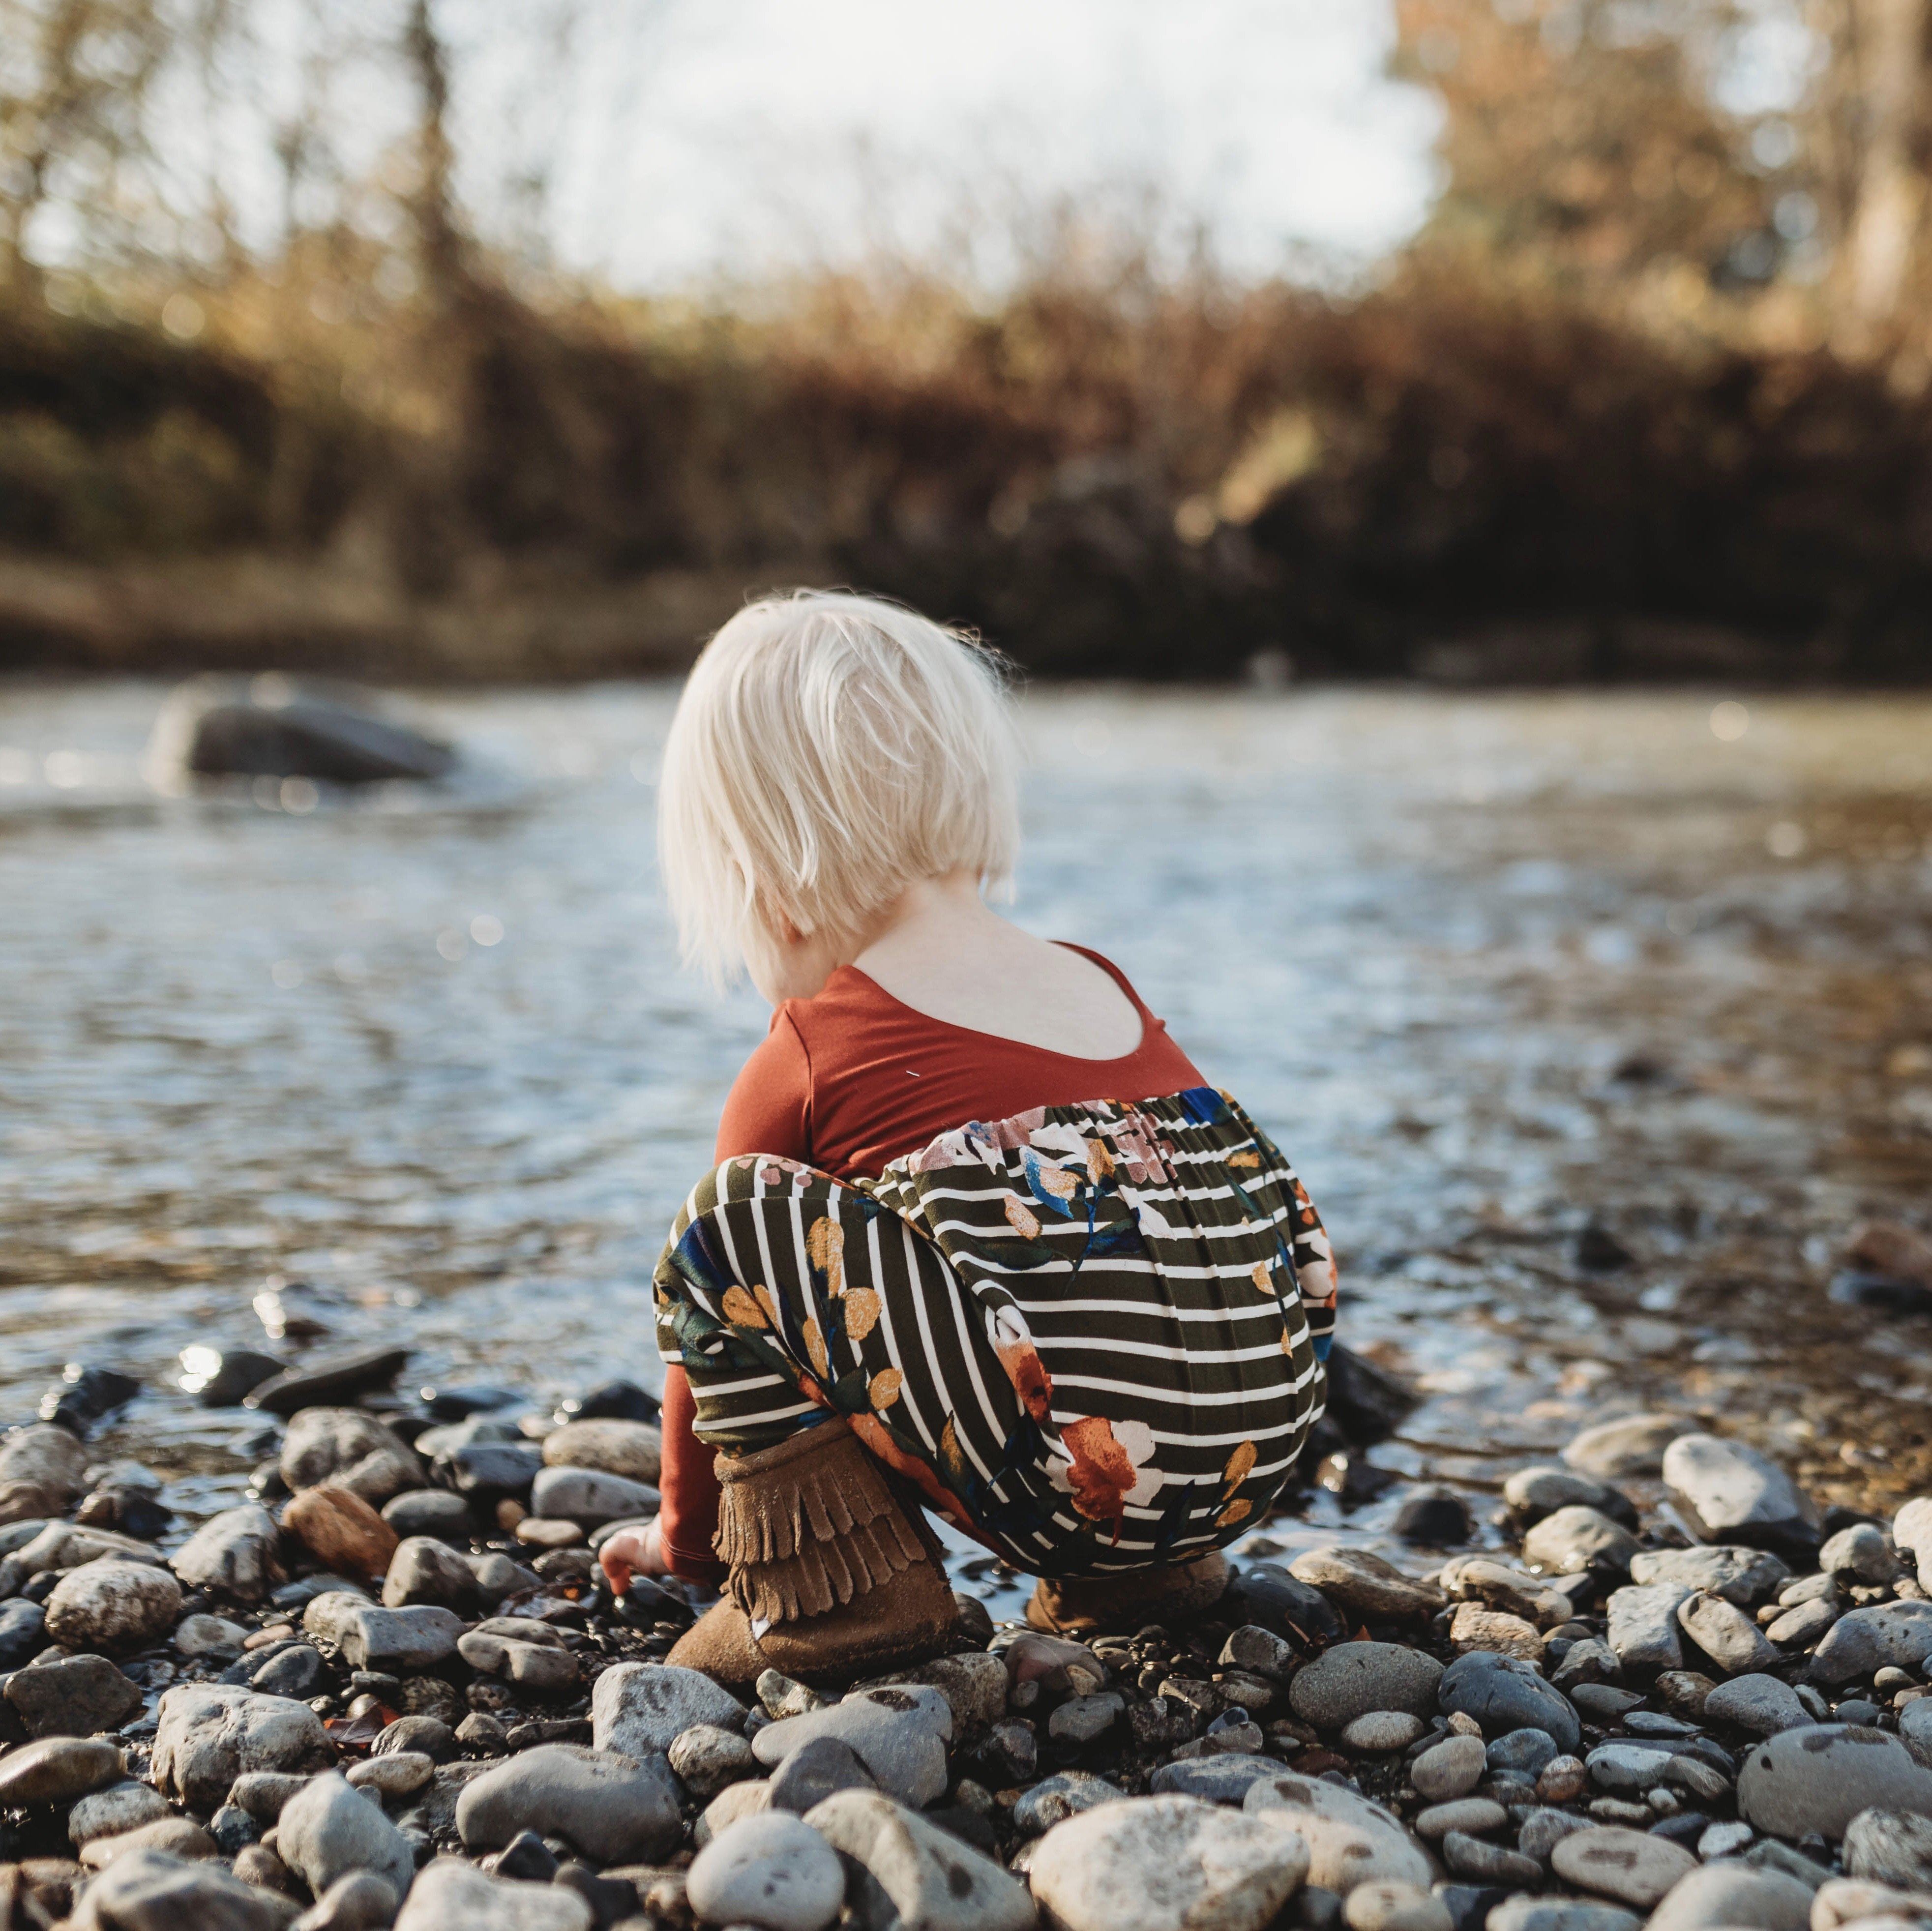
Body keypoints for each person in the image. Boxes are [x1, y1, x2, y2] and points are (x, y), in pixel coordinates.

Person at [598, 589, 1336, 1687]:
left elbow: (700, 1345)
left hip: (1069, 1482)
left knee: (725, 1232)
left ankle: (837, 1593)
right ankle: (1145, 1575)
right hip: (1255, 1457)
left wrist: (687, 1540)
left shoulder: (812, 1042)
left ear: (761, 874)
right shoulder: (1099, 980)